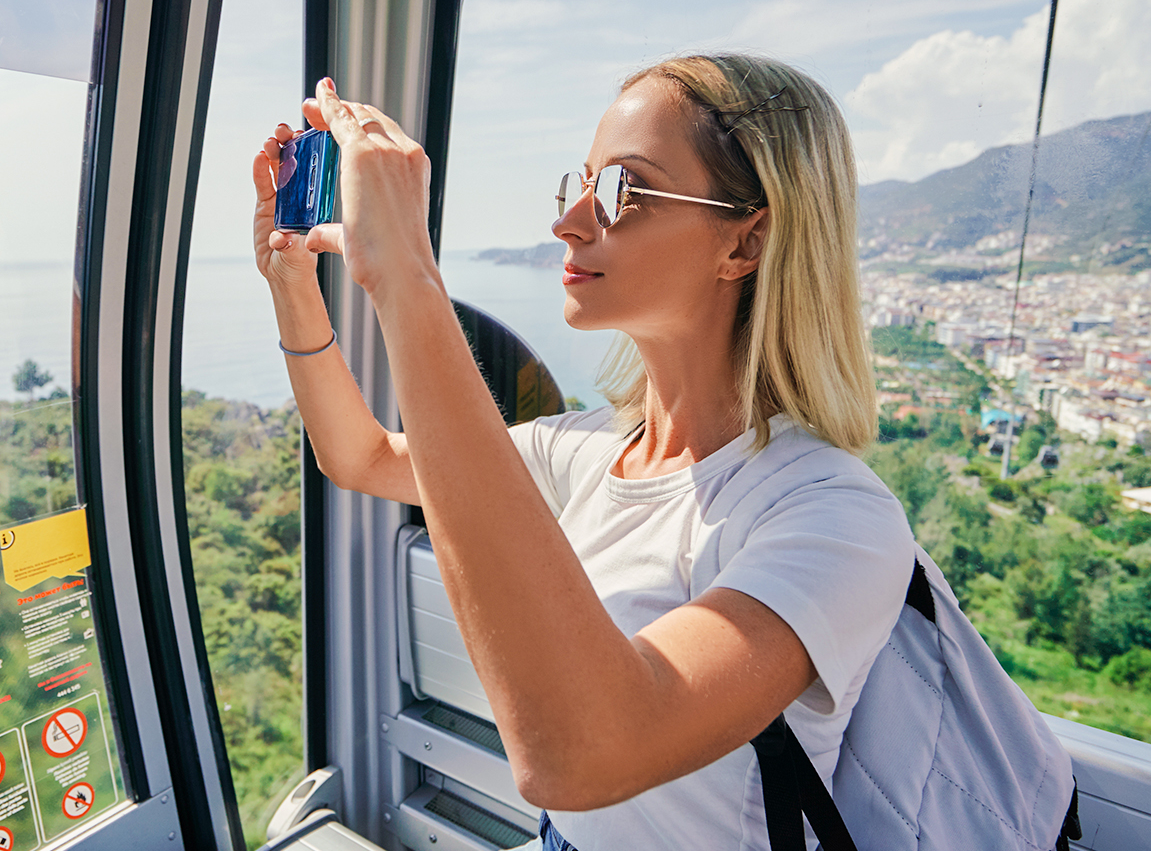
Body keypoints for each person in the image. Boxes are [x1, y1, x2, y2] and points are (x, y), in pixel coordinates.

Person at [251, 54, 914, 850]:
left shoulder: (835, 517)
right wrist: (290, 281)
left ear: (747, 242)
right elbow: (358, 458)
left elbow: (583, 754)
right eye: (582, 184)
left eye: (622, 192)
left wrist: (408, 277)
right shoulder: (591, 451)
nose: (569, 223)